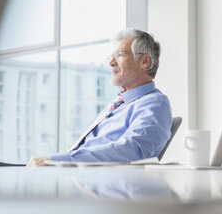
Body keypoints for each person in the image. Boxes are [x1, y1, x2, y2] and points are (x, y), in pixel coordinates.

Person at [26, 28, 172, 167]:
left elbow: (134, 151)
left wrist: (58, 161)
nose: (111, 63)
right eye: (111, 57)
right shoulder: (118, 104)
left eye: (120, 55)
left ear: (145, 62)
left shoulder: (155, 104)